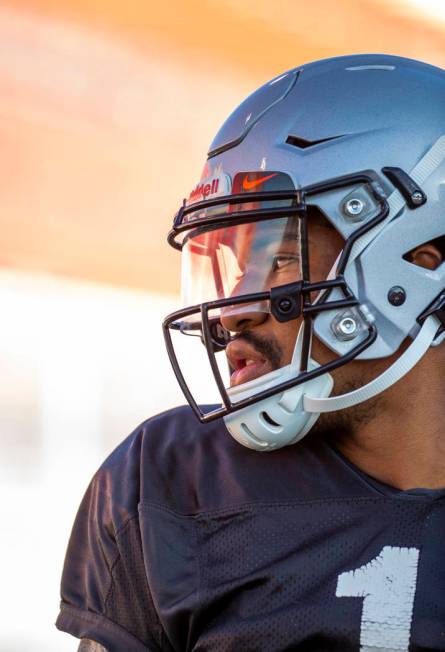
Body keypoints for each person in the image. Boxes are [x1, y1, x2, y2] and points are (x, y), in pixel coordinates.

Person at [56, 53, 445, 651]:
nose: (235, 309)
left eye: (281, 258)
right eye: (236, 267)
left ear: (421, 261)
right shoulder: (171, 481)